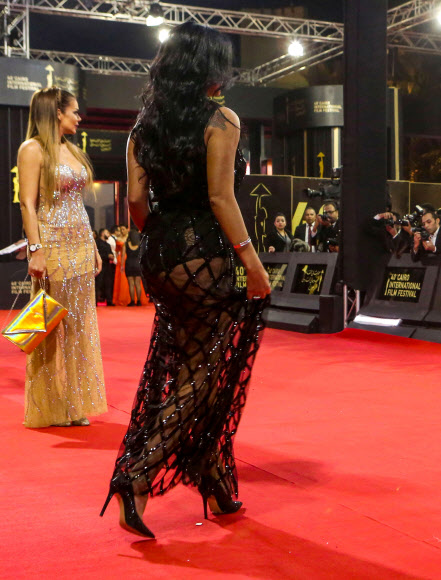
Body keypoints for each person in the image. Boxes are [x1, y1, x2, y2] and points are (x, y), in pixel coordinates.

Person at [100, 21, 271, 538]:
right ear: (207, 70)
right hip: (206, 257)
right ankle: (139, 472)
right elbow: (221, 198)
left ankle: (214, 475)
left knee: (197, 365)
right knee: (204, 372)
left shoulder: (142, 126)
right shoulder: (221, 119)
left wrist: (161, 240)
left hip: (160, 258)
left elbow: (134, 202)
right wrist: (253, 263)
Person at [18, 86, 107, 428]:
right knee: (50, 326)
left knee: (80, 325)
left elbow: (79, 206)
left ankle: (73, 403)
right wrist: (36, 249)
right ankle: (48, 407)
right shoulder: (32, 149)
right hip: (51, 245)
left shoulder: (71, 149)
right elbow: (28, 203)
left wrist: (94, 247)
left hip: (81, 244)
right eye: (75, 111)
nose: (79, 117)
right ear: (57, 113)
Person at [95, 228, 115, 306]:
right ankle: (95, 301)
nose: (109, 234)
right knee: (98, 283)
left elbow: (111, 254)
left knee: (108, 283)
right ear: (102, 233)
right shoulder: (97, 243)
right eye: (107, 232)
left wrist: (111, 256)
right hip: (99, 266)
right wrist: (107, 256)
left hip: (107, 266)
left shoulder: (108, 245)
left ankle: (109, 301)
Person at [124, 228, 143, 305]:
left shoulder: (126, 244)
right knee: (138, 284)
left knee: (131, 284)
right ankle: (138, 301)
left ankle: (132, 301)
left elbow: (122, 256)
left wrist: (122, 265)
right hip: (137, 264)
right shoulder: (139, 244)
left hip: (129, 263)